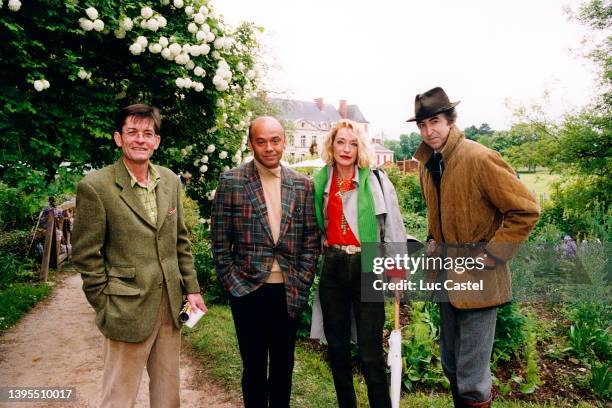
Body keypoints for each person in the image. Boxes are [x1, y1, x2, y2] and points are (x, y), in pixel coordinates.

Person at [408, 87, 540, 408]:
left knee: (472, 378)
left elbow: (525, 210)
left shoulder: (479, 157)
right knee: (452, 366)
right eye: (423, 125)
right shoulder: (429, 164)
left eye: (435, 122)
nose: (429, 131)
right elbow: (437, 223)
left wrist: (492, 256)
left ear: (451, 120)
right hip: (444, 278)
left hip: (480, 279)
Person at [72, 103, 206, 408]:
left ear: (157, 141)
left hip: (170, 306)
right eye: (132, 132)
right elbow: (85, 254)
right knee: (119, 397)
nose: (140, 139)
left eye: (148, 133)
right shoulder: (95, 187)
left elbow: (180, 240)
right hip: (125, 307)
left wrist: (192, 289)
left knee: (167, 396)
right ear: (118, 138)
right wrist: (104, 303)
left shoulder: (170, 180)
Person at [211, 116, 320, 407]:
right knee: (254, 368)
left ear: (284, 141)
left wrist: (303, 280)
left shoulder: (302, 185)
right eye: (261, 141)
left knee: (284, 367)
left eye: (275, 140)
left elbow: (311, 240)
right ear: (251, 143)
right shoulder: (232, 181)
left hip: (288, 291)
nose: (269, 148)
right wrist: (233, 284)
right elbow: (220, 243)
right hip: (248, 291)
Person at [310, 119, 407, 408]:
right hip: (334, 266)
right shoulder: (319, 180)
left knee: (370, 352)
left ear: (360, 148)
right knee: (337, 349)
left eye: (353, 143)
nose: (346, 148)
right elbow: (315, 225)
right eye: (341, 141)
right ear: (332, 144)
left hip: (367, 265)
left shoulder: (375, 179)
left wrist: (396, 269)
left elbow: (393, 226)